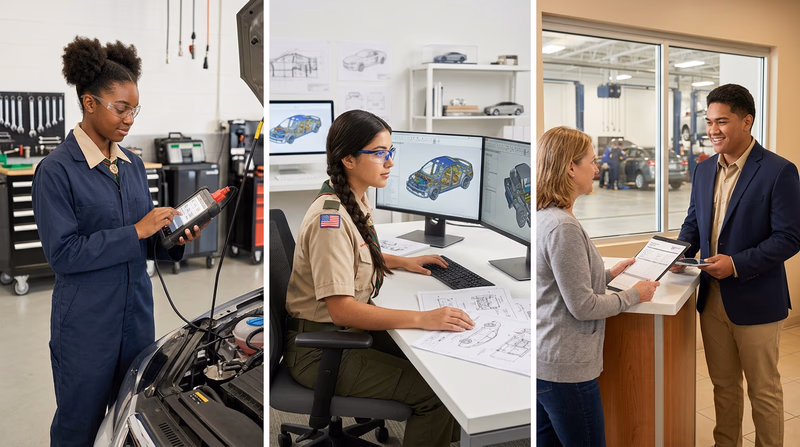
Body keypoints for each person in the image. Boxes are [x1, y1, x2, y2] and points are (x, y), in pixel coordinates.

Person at [32, 37, 207, 447]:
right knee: (80, 423)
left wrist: (171, 239)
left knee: (133, 416)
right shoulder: (56, 171)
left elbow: (144, 239)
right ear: (89, 103)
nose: (129, 119)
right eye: (120, 108)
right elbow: (63, 253)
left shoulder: (131, 165)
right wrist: (138, 231)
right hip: (87, 322)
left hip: (135, 315)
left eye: (134, 109)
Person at [283, 109, 474, 447]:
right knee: (436, 396)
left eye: (390, 152)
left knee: (446, 369)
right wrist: (423, 318)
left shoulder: (352, 198)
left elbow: (352, 254)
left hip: (339, 333)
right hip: (320, 349)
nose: (389, 162)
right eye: (379, 153)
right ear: (349, 159)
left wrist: (401, 261)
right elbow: (342, 310)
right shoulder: (331, 218)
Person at [670, 84, 800, 447]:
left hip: (757, 298)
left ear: (747, 121)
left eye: (722, 122)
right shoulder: (703, 169)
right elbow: (694, 223)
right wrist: (678, 253)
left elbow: (789, 237)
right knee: (723, 387)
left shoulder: (778, 171)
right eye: (709, 121)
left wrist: (737, 264)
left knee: (764, 391)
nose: (713, 130)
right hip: (711, 299)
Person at [536, 126, 660, 446]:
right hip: (567, 370)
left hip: (548, 364)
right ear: (570, 167)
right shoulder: (563, 227)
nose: (598, 167)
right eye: (592, 161)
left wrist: (608, 274)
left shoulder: (548, 216)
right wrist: (635, 294)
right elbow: (583, 307)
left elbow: (562, 284)